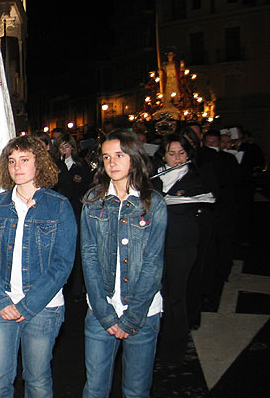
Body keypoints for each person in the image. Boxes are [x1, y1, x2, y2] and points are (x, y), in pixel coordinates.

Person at [0, 135, 77, 397]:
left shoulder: (58, 206)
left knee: (37, 380)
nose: (17, 167)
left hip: (43, 308)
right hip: (0, 306)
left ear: (39, 164)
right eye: (12, 161)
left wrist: (28, 305)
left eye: (24, 160)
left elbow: (62, 264)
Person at [80, 129, 167, 398]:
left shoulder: (152, 203)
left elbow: (153, 263)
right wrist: (105, 312)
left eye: (119, 155)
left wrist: (133, 316)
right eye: (106, 157)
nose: (112, 162)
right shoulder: (93, 202)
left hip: (143, 312)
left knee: (136, 390)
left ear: (134, 157)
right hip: (101, 309)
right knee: (95, 388)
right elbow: (89, 256)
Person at [152, 134, 214, 367]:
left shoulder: (195, 178)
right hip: (155, 245)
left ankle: (174, 350)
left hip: (181, 245)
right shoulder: (155, 177)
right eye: (171, 153)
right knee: (155, 296)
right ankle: (155, 345)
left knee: (176, 297)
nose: (177, 158)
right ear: (164, 155)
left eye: (181, 153)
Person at [54, 133, 92, 299]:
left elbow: (86, 185)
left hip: (75, 208)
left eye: (67, 147)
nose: (64, 150)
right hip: (60, 210)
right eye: (61, 147)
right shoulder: (56, 165)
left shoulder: (80, 165)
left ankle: (76, 288)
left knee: (76, 248)